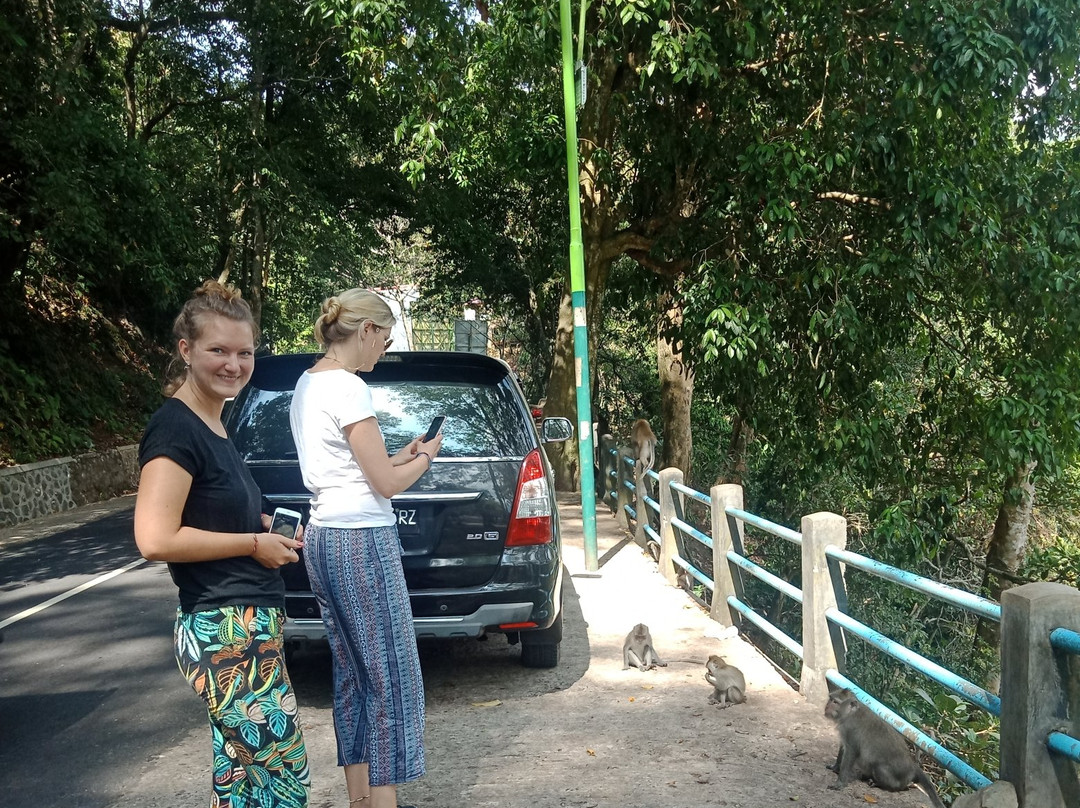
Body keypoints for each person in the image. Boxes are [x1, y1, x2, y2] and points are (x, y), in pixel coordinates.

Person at [134, 280, 310, 808]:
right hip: (223, 632)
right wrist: (253, 542)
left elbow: (206, 508)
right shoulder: (175, 429)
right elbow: (155, 536)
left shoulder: (215, 421)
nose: (233, 364)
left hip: (246, 625)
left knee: (241, 787)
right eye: (218, 350)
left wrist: (257, 521)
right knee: (283, 781)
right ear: (186, 351)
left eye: (244, 352)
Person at [289, 288, 441, 808]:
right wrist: (426, 461)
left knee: (353, 674)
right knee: (392, 678)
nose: (386, 348)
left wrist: (405, 453)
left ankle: (359, 799)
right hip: (361, 541)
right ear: (367, 331)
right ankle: (383, 803)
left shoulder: (306, 383)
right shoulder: (350, 388)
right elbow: (385, 485)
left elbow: (358, 468)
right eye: (387, 337)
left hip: (324, 537)